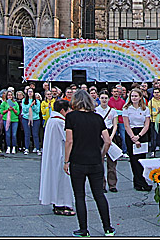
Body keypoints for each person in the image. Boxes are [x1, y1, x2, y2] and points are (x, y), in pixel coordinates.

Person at [64, 91, 115, 237]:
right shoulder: (97, 117)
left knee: (79, 196)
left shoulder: (71, 117)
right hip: (95, 160)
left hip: (77, 160)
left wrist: (66, 161)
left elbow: (69, 141)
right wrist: (102, 155)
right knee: (99, 194)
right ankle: (108, 228)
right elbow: (107, 141)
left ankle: (83, 229)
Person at [39, 98, 74, 216]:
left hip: (53, 154)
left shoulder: (52, 119)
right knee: (61, 179)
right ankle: (60, 204)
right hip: (59, 154)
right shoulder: (60, 122)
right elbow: (68, 138)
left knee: (55, 178)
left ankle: (58, 203)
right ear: (63, 110)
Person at [121, 88, 152, 191]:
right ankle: (139, 182)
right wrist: (133, 137)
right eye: (132, 96)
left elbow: (147, 124)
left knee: (141, 159)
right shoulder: (126, 108)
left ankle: (140, 181)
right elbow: (126, 125)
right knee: (134, 160)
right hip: (131, 133)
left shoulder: (145, 109)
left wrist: (139, 136)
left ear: (140, 97)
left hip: (142, 133)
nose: (134, 98)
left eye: (136, 96)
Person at [95, 92, 119, 193]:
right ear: (99, 99)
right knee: (99, 161)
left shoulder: (113, 111)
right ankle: (102, 185)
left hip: (110, 134)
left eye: (106, 98)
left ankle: (112, 184)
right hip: (99, 135)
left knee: (112, 162)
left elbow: (115, 125)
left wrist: (111, 136)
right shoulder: (96, 110)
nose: (104, 100)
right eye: (102, 98)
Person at [22, 87, 42, 154]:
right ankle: (26, 148)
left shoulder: (37, 101)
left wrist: (33, 106)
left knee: (35, 134)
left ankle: (37, 148)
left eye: (31, 91)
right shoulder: (24, 100)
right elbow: (24, 110)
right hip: (26, 118)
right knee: (27, 134)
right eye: (29, 91)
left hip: (35, 119)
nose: (30, 93)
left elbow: (37, 111)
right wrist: (29, 105)